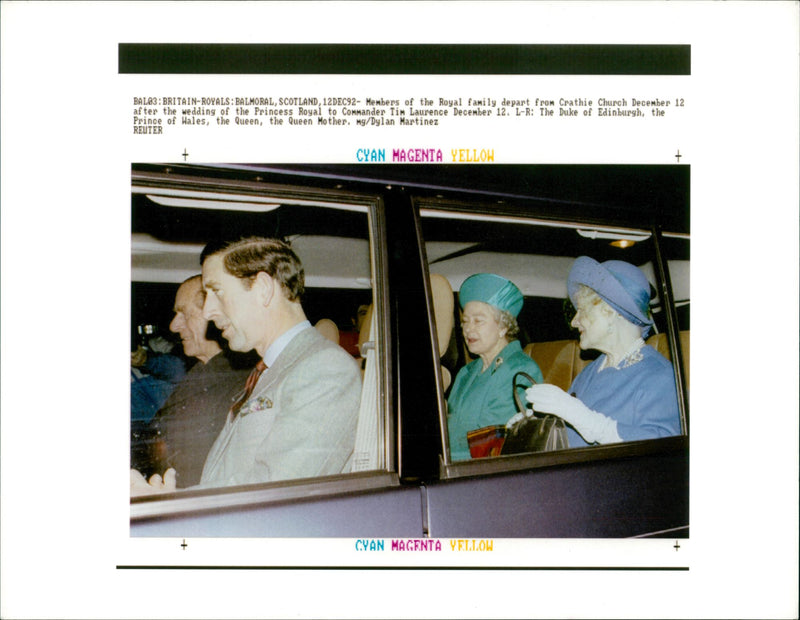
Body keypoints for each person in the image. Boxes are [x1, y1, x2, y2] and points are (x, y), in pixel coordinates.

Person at [131, 237, 361, 495]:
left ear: (263, 288)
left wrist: (174, 504)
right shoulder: (268, 370)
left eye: (216, 292)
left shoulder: (323, 369)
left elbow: (281, 494)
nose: (207, 311)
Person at [521, 256, 681, 447]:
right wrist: (534, 423)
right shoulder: (590, 372)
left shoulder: (658, 375)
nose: (574, 321)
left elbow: (664, 449)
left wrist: (588, 421)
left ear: (611, 312)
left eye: (582, 310)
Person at [144, 275, 253, 487]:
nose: (174, 326)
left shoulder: (240, 382)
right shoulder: (202, 371)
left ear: (213, 316)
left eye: (184, 314)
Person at [446, 273, 543, 461]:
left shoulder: (520, 371)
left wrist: (439, 461)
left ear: (503, 327)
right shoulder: (467, 372)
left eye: (478, 321)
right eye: (465, 321)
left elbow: (491, 449)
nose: (468, 329)